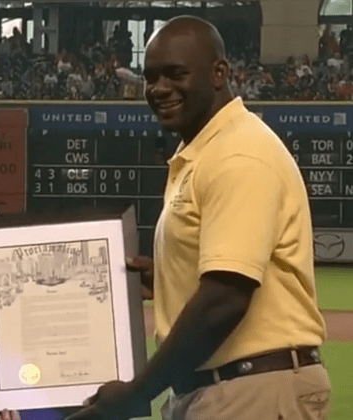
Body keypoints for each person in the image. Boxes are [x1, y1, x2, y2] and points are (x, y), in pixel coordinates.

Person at [66, 15, 330, 420]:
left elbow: (224, 298)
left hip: (250, 389)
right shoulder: (208, 151)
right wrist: (172, 276)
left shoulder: (238, 153)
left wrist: (139, 391)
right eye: (151, 78)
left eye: (176, 74)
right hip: (222, 388)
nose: (159, 89)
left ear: (220, 72)